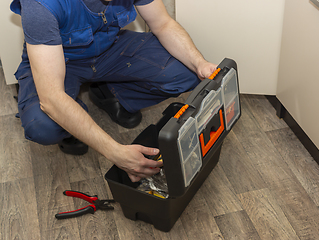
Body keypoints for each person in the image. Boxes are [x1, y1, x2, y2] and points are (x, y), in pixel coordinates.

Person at [10, 0, 217, 182]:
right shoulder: (40, 4)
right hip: (59, 61)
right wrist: (116, 153)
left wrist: (199, 63)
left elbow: (162, 24)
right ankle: (70, 122)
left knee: (186, 72)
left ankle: (111, 94)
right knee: (43, 125)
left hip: (109, 50)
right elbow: (52, 98)